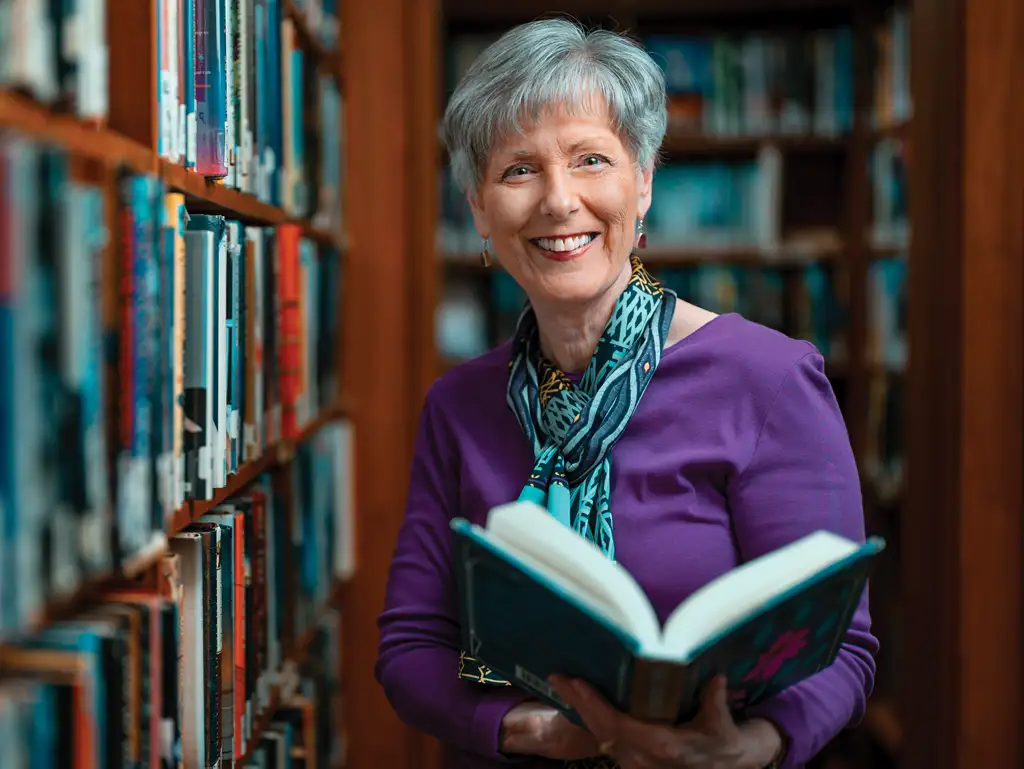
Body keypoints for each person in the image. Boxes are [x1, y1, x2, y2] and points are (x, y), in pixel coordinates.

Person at [375, 17, 878, 769]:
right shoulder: (458, 406)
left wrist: (749, 747)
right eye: (518, 170)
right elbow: (412, 646)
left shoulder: (768, 379)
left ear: (642, 182)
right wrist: (539, 731)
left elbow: (841, 645)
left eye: (591, 160)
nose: (558, 200)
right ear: (478, 207)